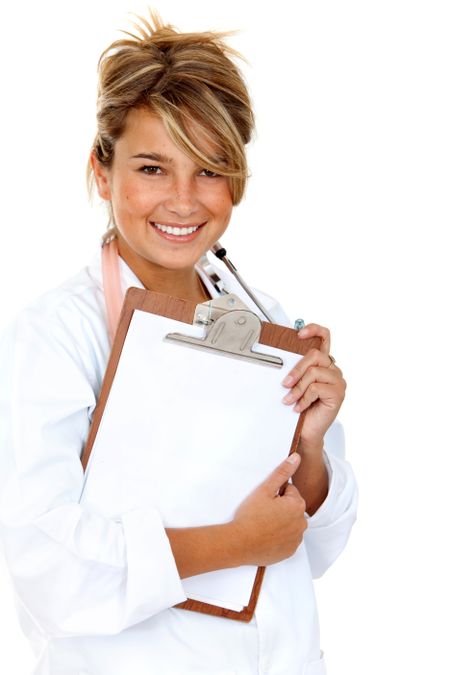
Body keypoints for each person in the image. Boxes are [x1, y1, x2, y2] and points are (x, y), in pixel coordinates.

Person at [0, 12, 357, 675]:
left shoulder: (265, 317)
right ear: (101, 173)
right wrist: (235, 541)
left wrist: (308, 443)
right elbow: (47, 566)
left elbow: (313, 548)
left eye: (210, 169)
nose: (184, 200)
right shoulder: (55, 335)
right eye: (153, 167)